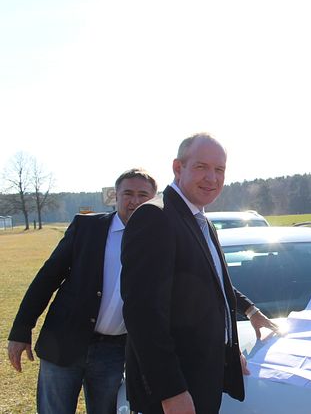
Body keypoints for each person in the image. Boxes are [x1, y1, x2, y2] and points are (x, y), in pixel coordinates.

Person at [120, 133, 278, 414]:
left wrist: (231, 348)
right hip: (172, 396)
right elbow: (143, 316)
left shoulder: (199, 219)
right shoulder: (155, 217)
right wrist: (172, 393)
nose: (212, 178)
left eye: (219, 170)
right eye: (201, 167)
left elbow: (211, 290)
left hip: (201, 382)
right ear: (178, 168)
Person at [7, 168, 158, 414]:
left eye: (143, 194)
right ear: (115, 196)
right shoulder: (87, 227)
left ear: (153, 199)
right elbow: (48, 276)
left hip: (114, 353)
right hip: (64, 342)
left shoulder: (159, 241)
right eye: (128, 193)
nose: (136, 200)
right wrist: (21, 330)